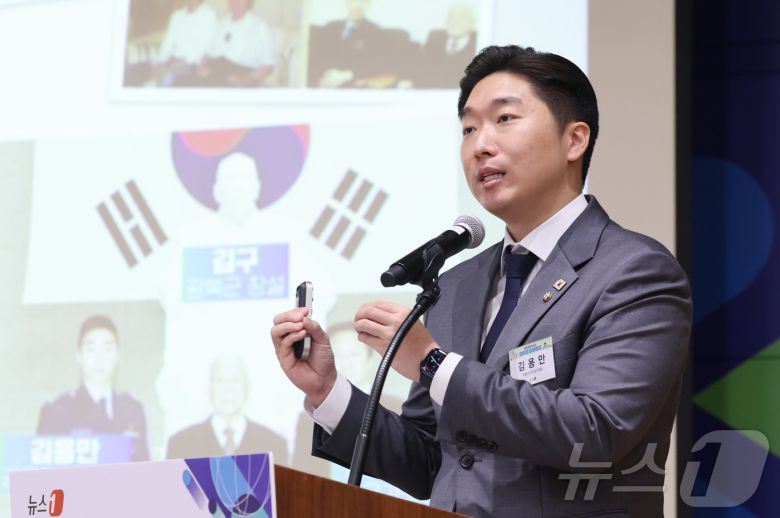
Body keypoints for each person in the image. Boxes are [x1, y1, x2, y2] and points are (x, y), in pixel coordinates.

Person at [271, 45, 693, 517]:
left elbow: (595, 431)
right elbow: (433, 463)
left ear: (574, 140)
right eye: (469, 129)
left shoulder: (633, 271)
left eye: (504, 119)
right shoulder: (457, 284)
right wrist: (328, 391)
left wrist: (432, 363)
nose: (479, 145)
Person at [37, 315, 150, 462]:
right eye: (91, 350)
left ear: (117, 355)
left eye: (107, 349)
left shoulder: (133, 410)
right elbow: (43, 472)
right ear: (79, 356)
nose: (99, 359)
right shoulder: (56, 412)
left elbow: (145, 469)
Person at [166, 355, 288, 464]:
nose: (228, 389)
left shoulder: (274, 444)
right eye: (220, 380)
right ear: (209, 388)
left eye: (235, 380)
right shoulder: (180, 443)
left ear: (247, 387)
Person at [307, 0, 413, 88]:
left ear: (369, 4)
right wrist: (322, 78)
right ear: (347, 2)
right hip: (322, 85)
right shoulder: (330, 27)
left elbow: (376, 63)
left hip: (353, 86)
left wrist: (347, 75)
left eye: (363, 1)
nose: (358, 6)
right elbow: (317, 57)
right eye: (353, 1)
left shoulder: (375, 32)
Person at [196, 0, 277, 87]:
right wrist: (203, 65)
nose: (236, 3)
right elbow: (208, 52)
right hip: (216, 71)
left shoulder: (259, 26)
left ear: (249, 2)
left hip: (240, 75)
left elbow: (268, 65)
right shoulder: (222, 22)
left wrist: (245, 79)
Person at [413, 3, 478, 89]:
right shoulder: (432, 44)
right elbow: (417, 71)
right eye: (451, 17)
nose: (454, 22)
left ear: (472, 23)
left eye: (461, 18)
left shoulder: (477, 48)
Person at [154, 0, 218, 87]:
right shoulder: (177, 15)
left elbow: (207, 46)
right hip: (173, 60)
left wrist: (185, 61)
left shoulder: (208, 15)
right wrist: (160, 61)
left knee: (167, 77)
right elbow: (168, 41)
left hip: (192, 63)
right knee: (148, 71)